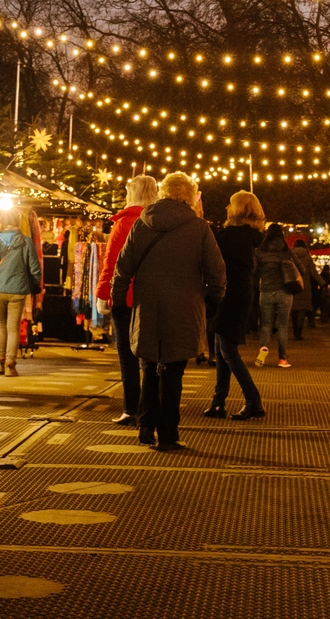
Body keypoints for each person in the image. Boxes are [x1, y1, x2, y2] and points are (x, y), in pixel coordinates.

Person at [111, 172, 225, 451]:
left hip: (147, 304)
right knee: (174, 370)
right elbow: (217, 271)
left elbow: (123, 268)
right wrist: (212, 299)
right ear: (189, 197)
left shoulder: (141, 224)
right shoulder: (199, 228)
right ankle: (169, 434)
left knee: (149, 364)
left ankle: (146, 425)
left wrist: (117, 301)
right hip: (184, 306)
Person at [98, 175, 158, 424]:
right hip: (152, 297)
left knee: (127, 355)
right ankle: (150, 408)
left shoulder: (123, 224)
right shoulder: (158, 223)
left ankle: (130, 408)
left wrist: (103, 294)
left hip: (125, 297)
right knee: (151, 356)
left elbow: (111, 262)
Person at [206, 190, 267, 419]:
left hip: (231, 294)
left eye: (230, 204)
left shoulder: (232, 236)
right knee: (222, 349)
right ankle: (218, 401)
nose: (226, 208)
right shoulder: (250, 236)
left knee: (228, 351)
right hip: (240, 293)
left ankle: (254, 401)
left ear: (239, 208)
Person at [0, 206, 44, 377]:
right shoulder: (26, 241)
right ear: (17, 222)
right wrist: (36, 285)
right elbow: (35, 268)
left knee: (2, 326)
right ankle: (10, 365)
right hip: (18, 289)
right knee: (13, 328)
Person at [254, 222, 299, 367]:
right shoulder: (286, 250)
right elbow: (301, 268)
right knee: (282, 326)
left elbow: (254, 272)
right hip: (284, 292)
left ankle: (264, 347)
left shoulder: (259, 251)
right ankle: (282, 359)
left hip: (265, 291)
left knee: (266, 324)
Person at [289, 233, 316, 339]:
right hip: (305, 287)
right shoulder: (308, 258)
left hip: (293, 285)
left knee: (294, 309)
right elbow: (314, 273)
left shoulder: (290, 257)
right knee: (302, 311)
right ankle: (299, 331)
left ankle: (294, 328)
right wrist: (323, 282)